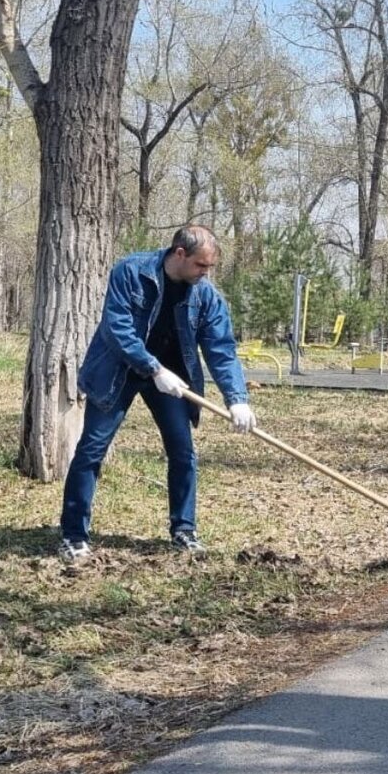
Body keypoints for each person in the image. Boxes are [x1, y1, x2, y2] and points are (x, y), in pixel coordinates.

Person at [59, 225, 256, 562]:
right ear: (180, 254)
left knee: (183, 453)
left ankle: (184, 531)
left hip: (172, 381)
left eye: (210, 267)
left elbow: (221, 349)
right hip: (118, 371)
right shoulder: (131, 272)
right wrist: (153, 368)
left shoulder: (205, 295)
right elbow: (116, 329)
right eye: (201, 265)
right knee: (91, 449)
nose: (206, 273)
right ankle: (73, 535)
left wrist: (237, 398)